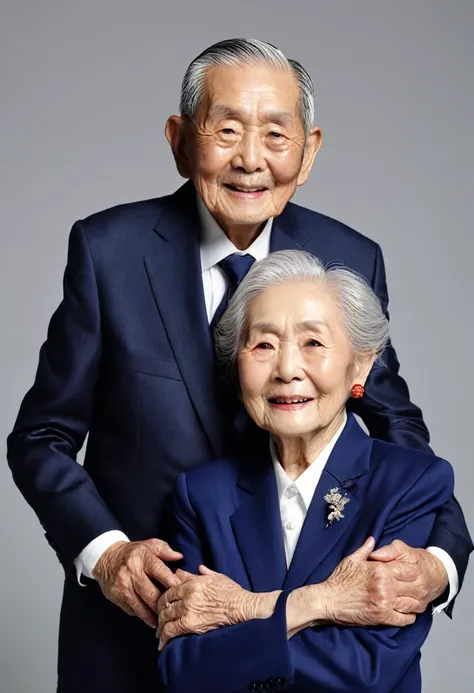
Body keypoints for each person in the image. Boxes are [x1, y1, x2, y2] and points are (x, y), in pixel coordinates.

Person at [6, 38, 471, 693]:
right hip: (135, 641)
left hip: (314, 652)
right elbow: (40, 437)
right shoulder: (109, 253)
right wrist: (108, 555)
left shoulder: (348, 256)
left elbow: (403, 438)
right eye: (225, 130)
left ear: (308, 151)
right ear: (179, 140)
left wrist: (442, 560)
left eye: (275, 135)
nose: (250, 159)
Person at [156, 250, 454, 693]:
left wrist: (243, 610)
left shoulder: (409, 483)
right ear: (238, 369)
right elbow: (183, 672)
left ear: (361, 364)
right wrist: (317, 603)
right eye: (263, 345)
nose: (287, 370)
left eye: (313, 343)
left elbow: (364, 672)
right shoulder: (201, 495)